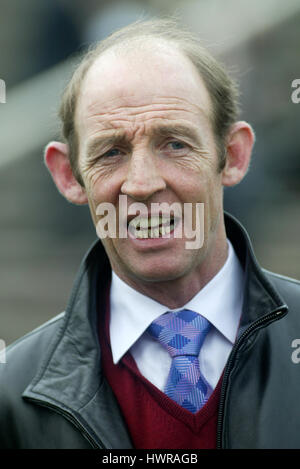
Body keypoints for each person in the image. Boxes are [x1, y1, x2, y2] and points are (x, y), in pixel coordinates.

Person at [1, 19, 300, 450]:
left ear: (233, 156)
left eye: (175, 144)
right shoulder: (14, 397)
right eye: (112, 152)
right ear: (69, 176)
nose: (141, 184)